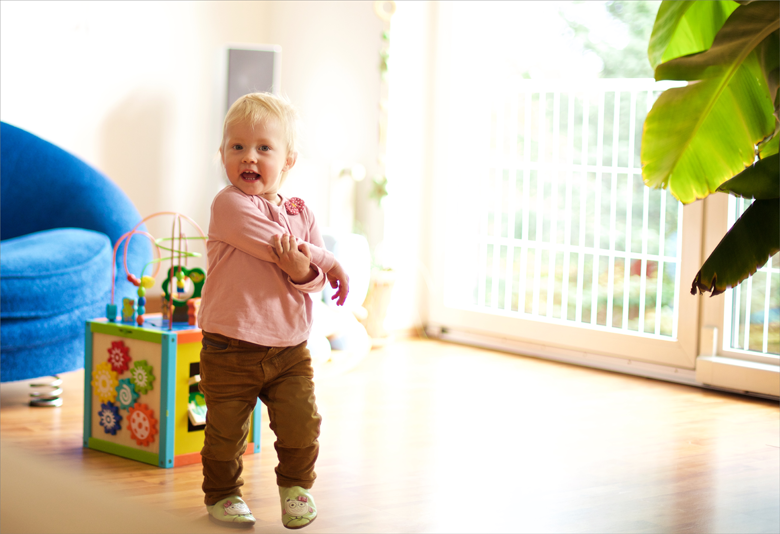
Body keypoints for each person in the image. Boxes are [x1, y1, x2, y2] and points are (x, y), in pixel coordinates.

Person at [197, 92, 349, 529]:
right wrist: (329, 260)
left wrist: (308, 270)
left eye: (264, 147)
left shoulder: (302, 213)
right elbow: (280, 248)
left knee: (303, 423)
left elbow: (310, 279)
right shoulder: (229, 204)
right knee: (226, 432)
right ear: (223, 154)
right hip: (230, 347)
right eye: (238, 146)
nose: (249, 156)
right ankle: (223, 494)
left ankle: (296, 487)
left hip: (289, 348)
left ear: (288, 161)